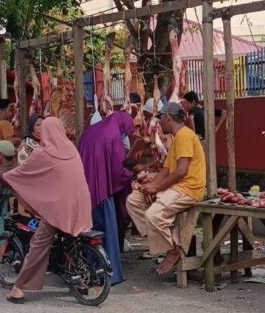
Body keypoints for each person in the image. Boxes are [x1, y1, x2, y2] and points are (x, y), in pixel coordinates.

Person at [0, 117, 92, 303]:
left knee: (38, 245)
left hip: (58, 208)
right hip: (81, 205)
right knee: (72, 242)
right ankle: (80, 281)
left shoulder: (44, 153)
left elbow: (22, 174)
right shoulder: (72, 149)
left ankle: (18, 288)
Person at [126, 102, 206, 274]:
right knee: (133, 200)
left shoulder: (184, 135)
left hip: (188, 189)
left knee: (152, 214)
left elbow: (181, 171)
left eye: (161, 118)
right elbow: (166, 169)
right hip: (176, 187)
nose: (159, 123)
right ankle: (167, 238)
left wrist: (156, 188)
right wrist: (151, 186)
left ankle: (173, 249)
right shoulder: (178, 137)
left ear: (168, 117)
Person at [77, 111, 136, 284]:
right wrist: (132, 174)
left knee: (89, 231)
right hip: (102, 190)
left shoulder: (91, 131)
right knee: (106, 232)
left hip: (85, 189)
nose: (125, 135)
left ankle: (89, 268)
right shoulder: (113, 135)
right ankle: (109, 273)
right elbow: (118, 170)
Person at [0, 99, 21, 173]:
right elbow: (9, 140)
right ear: (1, 111)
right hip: (4, 167)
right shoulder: (4, 123)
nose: (10, 112)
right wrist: (23, 139)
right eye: (8, 109)